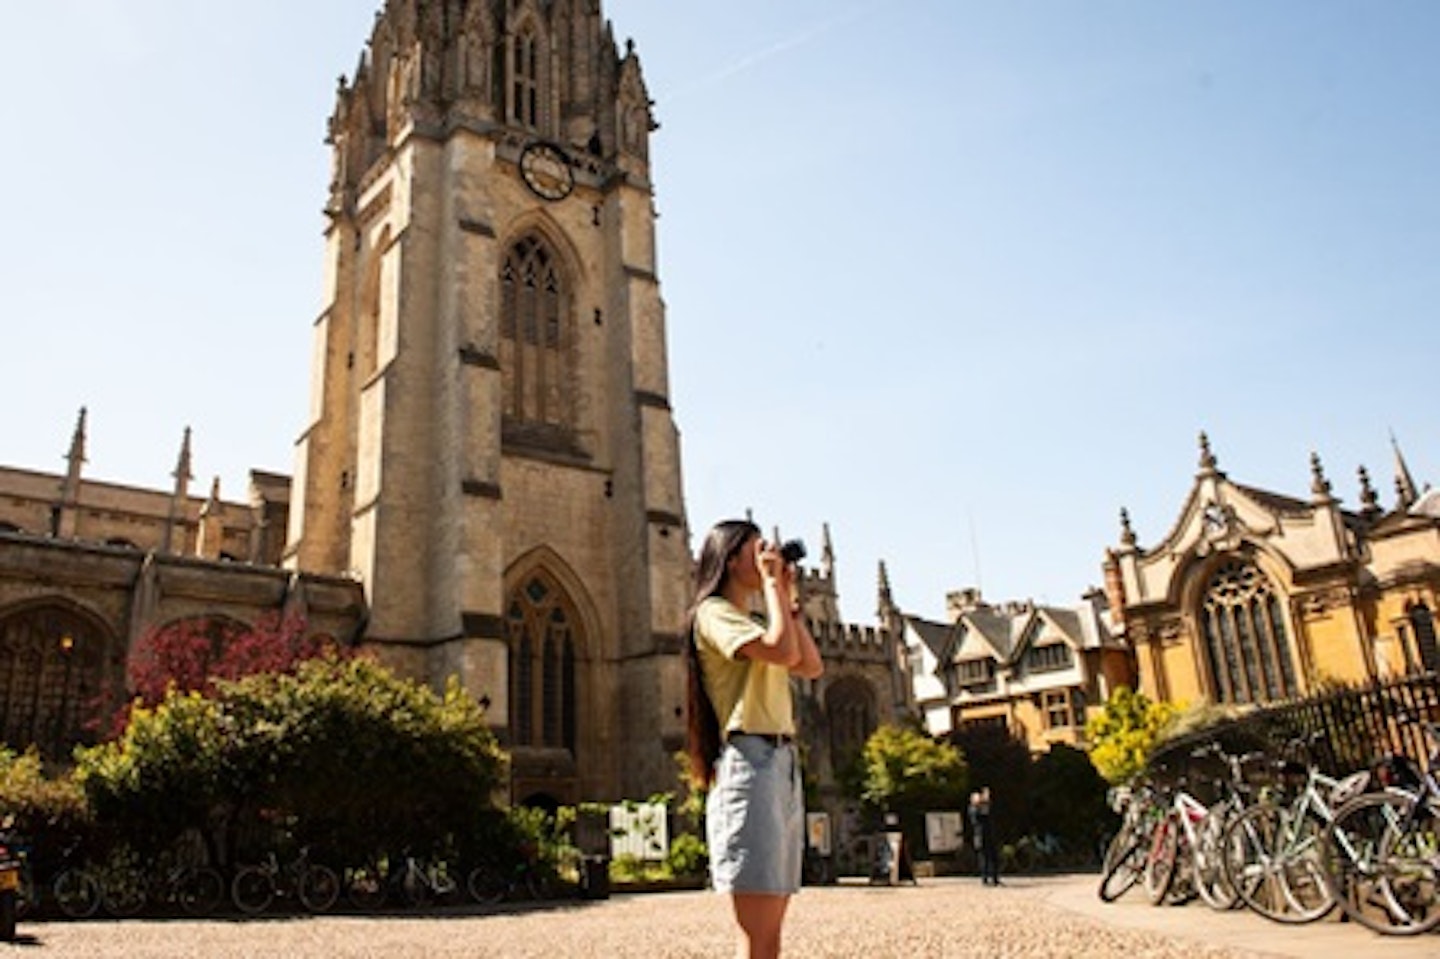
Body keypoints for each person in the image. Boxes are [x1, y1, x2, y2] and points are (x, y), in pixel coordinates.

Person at [685, 520, 824, 959]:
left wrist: (787, 596)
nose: (768, 556)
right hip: (750, 761)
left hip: (780, 762)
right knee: (758, 933)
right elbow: (783, 653)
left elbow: (810, 665)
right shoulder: (713, 613)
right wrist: (771, 587)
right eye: (756, 549)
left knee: (772, 932)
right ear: (730, 560)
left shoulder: (756, 620)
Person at [969, 787, 1000, 886]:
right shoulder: (973, 809)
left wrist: (986, 799)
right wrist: (983, 800)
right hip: (981, 836)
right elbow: (981, 814)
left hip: (989, 836)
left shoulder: (984, 807)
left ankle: (995, 878)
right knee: (984, 859)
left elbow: (989, 810)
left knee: (993, 857)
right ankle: (985, 879)